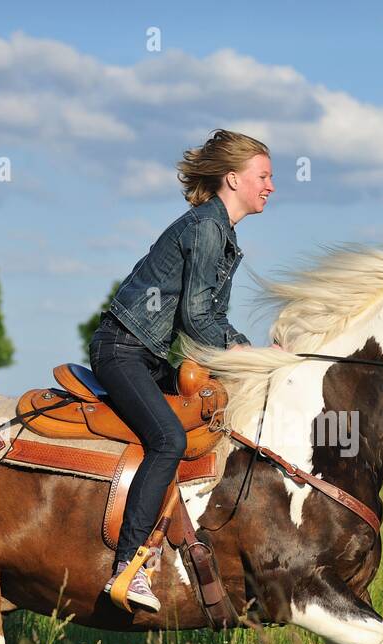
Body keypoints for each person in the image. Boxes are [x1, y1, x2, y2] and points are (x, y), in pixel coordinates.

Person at [90, 129, 275, 612]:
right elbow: (198, 319)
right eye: (264, 176)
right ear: (233, 179)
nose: (271, 186)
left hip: (149, 357)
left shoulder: (222, 232)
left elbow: (207, 323)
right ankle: (128, 566)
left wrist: (251, 352)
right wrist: (255, 357)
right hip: (122, 351)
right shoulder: (206, 228)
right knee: (168, 439)